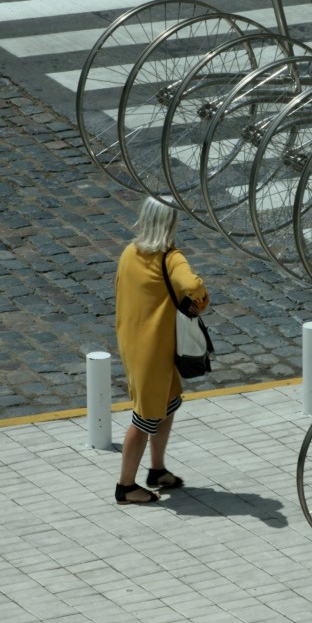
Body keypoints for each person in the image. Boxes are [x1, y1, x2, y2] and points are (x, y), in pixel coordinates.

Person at [114, 196, 209, 504]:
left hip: (134, 343)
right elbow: (193, 287)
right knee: (144, 419)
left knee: (168, 403)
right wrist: (201, 300)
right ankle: (125, 487)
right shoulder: (171, 257)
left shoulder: (129, 252)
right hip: (154, 352)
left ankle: (157, 471)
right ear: (171, 223)